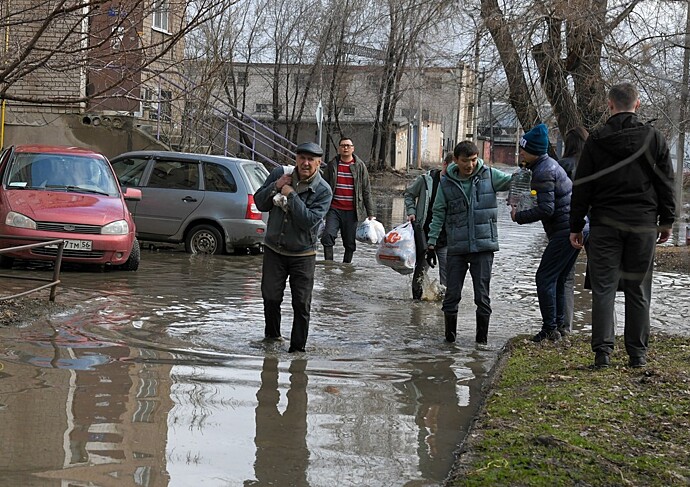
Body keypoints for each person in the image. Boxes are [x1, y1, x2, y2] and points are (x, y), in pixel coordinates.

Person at [569, 82, 676, 369]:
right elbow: (666, 182)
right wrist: (667, 221)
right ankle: (637, 355)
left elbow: (582, 186)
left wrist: (576, 224)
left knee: (603, 289)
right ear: (637, 104)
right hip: (642, 223)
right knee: (638, 289)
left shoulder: (595, 141)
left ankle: (602, 353)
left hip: (604, 223)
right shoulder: (654, 138)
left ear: (610, 104)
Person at [426, 141, 512, 344]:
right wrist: (431, 243)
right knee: (451, 297)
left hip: (483, 247)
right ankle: (449, 343)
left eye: (473, 160)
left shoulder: (490, 176)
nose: (470, 165)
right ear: (456, 160)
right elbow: (438, 213)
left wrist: (536, 173)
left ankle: (481, 345)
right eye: (465, 161)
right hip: (456, 248)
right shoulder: (446, 183)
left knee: (482, 297)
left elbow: (514, 182)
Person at [253, 142, 333, 353]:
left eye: (310, 160)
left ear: (319, 163)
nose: (305, 163)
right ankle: (272, 340)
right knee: (270, 298)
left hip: (303, 255)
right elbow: (259, 203)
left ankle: (297, 352)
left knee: (301, 304)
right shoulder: (281, 173)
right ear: (296, 158)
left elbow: (308, 221)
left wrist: (290, 194)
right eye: (302, 158)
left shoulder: (324, 190)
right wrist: (276, 186)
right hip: (274, 250)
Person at [511, 123, 580, 343]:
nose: (520, 152)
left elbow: (546, 209)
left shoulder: (542, 171)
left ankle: (550, 328)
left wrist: (518, 216)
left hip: (564, 230)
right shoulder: (548, 165)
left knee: (544, 278)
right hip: (576, 227)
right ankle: (558, 327)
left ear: (533, 151)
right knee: (558, 279)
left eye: (523, 149)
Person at [403, 153, 451, 300]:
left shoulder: (458, 183)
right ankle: (416, 303)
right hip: (424, 232)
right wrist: (411, 212)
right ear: (444, 164)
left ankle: (444, 304)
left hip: (446, 235)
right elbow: (409, 194)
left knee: (447, 271)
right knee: (421, 270)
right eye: (452, 167)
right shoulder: (426, 180)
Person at [320, 136, 375, 263]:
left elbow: (366, 190)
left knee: (349, 242)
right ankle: (329, 266)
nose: (345, 148)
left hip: (352, 210)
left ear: (352, 149)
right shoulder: (332, 165)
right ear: (339, 148)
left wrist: (370, 213)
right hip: (334, 209)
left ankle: (347, 267)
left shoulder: (360, 166)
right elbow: (323, 186)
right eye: (343, 145)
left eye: (348, 146)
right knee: (328, 236)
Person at [557, 126, 589, 334]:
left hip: (570, 225)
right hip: (596, 225)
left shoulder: (562, 166)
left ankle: (564, 326)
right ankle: (606, 332)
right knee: (602, 282)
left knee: (565, 276)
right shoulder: (594, 165)